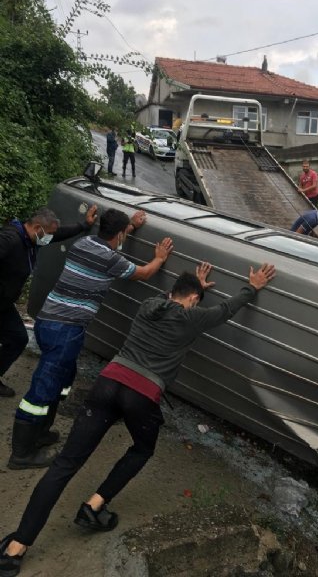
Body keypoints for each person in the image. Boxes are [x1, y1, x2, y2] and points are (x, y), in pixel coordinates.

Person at [0, 260, 275, 577]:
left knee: (64, 465)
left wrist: (195, 287)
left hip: (107, 383)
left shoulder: (149, 306)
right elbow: (227, 309)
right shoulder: (194, 318)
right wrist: (252, 286)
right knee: (142, 449)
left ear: (172, 292)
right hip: (140, 395)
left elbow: (170, 301)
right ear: (194, 300)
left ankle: (16, 548)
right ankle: (94, 506)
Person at [8, 208, 173, 471]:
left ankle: (40, 433)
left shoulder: (83, 243)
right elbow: (143, 273)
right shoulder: (111, 260)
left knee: (63, 379)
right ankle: (21, 453)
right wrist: (160, 258)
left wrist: (129, 225)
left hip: (49, 322)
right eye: (124, 233)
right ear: (119, 234)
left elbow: (112, 242)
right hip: (65, 329)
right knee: (43, 388)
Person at [0, 205, 98, 398]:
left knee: (18, 338)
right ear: (38, 228)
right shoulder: (9, 240)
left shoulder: (31, 239)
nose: (49, 237)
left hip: (3, 305)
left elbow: (59, 234)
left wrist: (84, 225)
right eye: (48, 233)